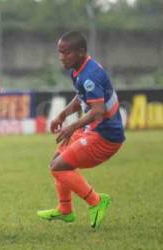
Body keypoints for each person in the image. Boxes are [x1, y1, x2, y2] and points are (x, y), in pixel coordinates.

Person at [37, 31, 125, 228]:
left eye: (66, 53)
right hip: (92, 129)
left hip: (105, 136)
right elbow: (82, 97)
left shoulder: (90, 75)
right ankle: (65, 210)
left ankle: (97, 201)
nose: (62, 57)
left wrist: (72, 126)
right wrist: (63, 114)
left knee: (58, 167)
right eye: (60, 52)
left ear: (81, 52)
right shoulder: (79, 70)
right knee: (55, 162)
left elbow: (98, 110)